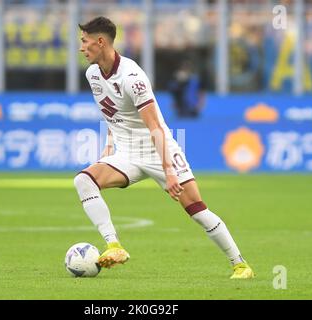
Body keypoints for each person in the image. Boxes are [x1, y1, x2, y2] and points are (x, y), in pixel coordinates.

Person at [75, 16, 254, 279]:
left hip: (159, 150)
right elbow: (112, 115)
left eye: (85, 41)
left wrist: (169, 171)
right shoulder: (93, 74)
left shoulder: (132, 77)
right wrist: (109, 148)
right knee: (84, 180)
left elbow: (156, 127)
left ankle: (240, 264)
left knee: (197, 210)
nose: (81, 47)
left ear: (100, 42)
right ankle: (114, 245)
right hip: (126, 153)